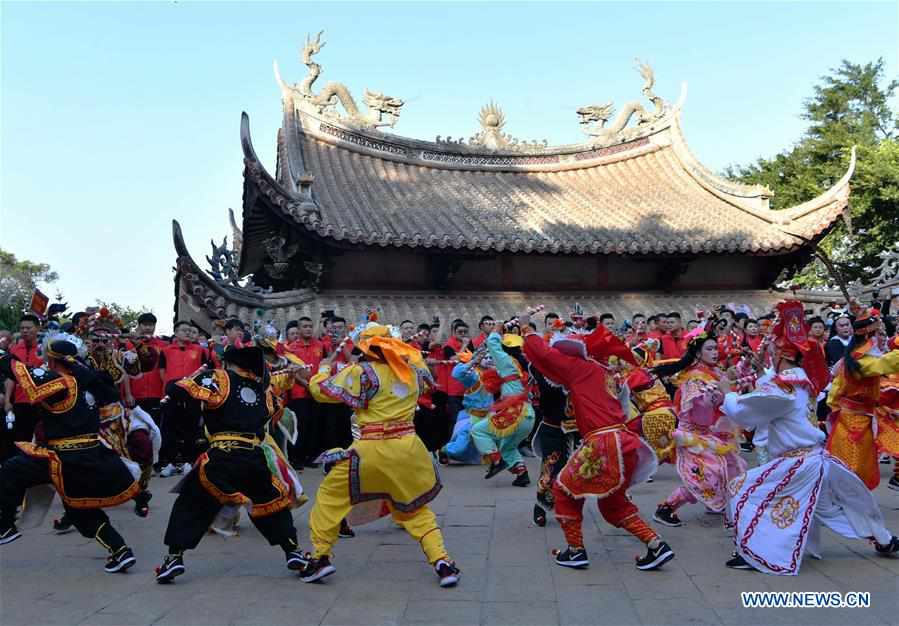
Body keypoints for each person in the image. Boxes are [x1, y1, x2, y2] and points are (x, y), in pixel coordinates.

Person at [721, 300, 899, 573]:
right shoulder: (802, 379)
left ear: (780, 351)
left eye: (772, 346)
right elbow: (772, 395)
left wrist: (727, 390)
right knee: (832, 507)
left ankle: (757, 552)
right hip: (815, 459)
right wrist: (760, 373)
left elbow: (746, 412)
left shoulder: (783, 387)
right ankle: (885, 540)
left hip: (798, 463)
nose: (768, 348)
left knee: (743, 490)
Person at [302, 323, 461, 587]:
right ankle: (442, 562)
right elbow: (426, 381)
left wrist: (321, 371)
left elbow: (320, 392)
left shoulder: (361, 373)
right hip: (408, 450)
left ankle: (320, 557)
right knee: (415, 508)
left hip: (370, 450)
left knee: (330, 498)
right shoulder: (411, 371)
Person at [521, 317, 674, 571]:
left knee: (562, 490)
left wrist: (527, 329)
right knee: (612, 503)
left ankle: (575, 550)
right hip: (624, 442)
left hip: (603, 443)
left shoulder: (582, 368)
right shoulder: (606, 373)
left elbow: (544, 355)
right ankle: (656, 545)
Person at [154, 345, 307, 583]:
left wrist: (185, 384)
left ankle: (174, 557)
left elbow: (177, 389)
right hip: (253, 456)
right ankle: (293, 552)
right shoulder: (262, 389)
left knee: (191, 504)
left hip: (221, 455)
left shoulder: (218, 377)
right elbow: (274, 413)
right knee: (271, 504)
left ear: (230, 363)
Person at [0, 336, 139, 573]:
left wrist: (5, 356)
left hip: (63, 457)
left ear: (54, 361)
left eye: (46, 357)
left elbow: (18, 370)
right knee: (80, 510)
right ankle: (120, 550)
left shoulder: (61, 383)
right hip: (89, 454)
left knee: (11, 469)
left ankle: (5, 525)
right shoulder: (88, 383)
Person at [652, 327, 747, 527]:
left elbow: (728, 381)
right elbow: (701, 406)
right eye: (710, 349)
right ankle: (666, 508)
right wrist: (718, 393)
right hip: (693, 434)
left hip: (709, 432)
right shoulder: (695, 377)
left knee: (732, 467)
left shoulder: (712, 372)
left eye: (716, 349)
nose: (715, 352)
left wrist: (746, 366)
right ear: (698, 353)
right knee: (705, 476)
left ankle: (720, 504)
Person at [826, 309, 899, 489]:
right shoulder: (861, 361)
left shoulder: (853, 358)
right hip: (855, 422)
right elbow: (885, 364)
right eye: (877, 334)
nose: (880, 338)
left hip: (858, 417)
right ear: (870, 336)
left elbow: (835, 393)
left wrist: (835, 409)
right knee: (854, 467)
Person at [469, 328, 534, 486]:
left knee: (477, 430)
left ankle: (496, 461)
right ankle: (522, 474)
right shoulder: (521, 366)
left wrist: (495, 331)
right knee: (508, 447)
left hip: (515, 413)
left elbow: (492, 344)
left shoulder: (506, 361)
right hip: (528, 415)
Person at [157, 321, 213, 476]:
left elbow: (205, 372)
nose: (188, 333)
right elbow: (162, 372)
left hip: (193, 392)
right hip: (172, 392)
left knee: (192, 426)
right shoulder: (166, 351)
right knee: (169, 426)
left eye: (190, 330)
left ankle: (189, 461)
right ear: (175, 332)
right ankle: (169, 462)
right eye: (184, 330)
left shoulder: (200, 350)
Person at [284, 317, 326, 466]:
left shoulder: (320, 346)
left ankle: (311, 457)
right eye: (305, 326)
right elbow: (290, 371)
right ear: (299, 329)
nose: (308, 329)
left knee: (314, 425)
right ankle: (296, 458)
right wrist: (305, 384)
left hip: (317, 393)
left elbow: (325, 366)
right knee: (300, 425)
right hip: (298, 393)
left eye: (310, 326)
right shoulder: (291, 348)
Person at [2, 314, 44, 462]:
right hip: (19, 403)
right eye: (22, 328)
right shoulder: (14, 349)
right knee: (15, 437)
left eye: (28, 328)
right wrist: (7, 400)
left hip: (40, 404)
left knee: (36, 440)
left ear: (37, 328)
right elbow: (10, 377)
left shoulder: (44, 350)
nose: (25, 331)